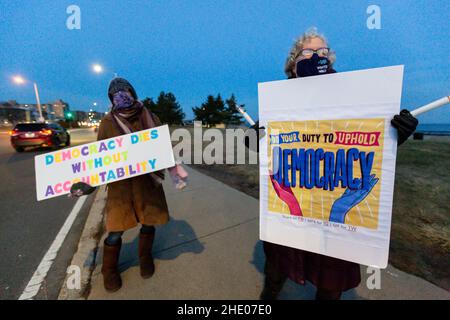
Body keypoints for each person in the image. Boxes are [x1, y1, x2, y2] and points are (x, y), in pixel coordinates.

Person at [245, 27, 418, 300]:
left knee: (330, 280)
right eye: (309, 52)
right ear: (293, 62)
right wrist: (253, 138)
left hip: (332, 214)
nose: (317, 56)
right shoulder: (278, 100)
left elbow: (370, 141)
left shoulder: (355, 97)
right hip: (292, 209)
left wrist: (396, 132)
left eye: (323, 52)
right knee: (277, 267)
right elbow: (264, 145)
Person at [70, 77, 187, 292]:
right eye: (116, 94)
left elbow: (162, 146)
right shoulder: (107, 122)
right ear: (111, 99)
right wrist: (88, 182)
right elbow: (99, 157)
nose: (121, 96)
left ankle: (145, 257)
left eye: (124, 91)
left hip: (146, 183)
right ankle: (109, 270)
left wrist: (174, 168)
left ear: (132, 92)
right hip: (121, 188)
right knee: (115, 231)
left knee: (148, 222)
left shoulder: (150, 116)